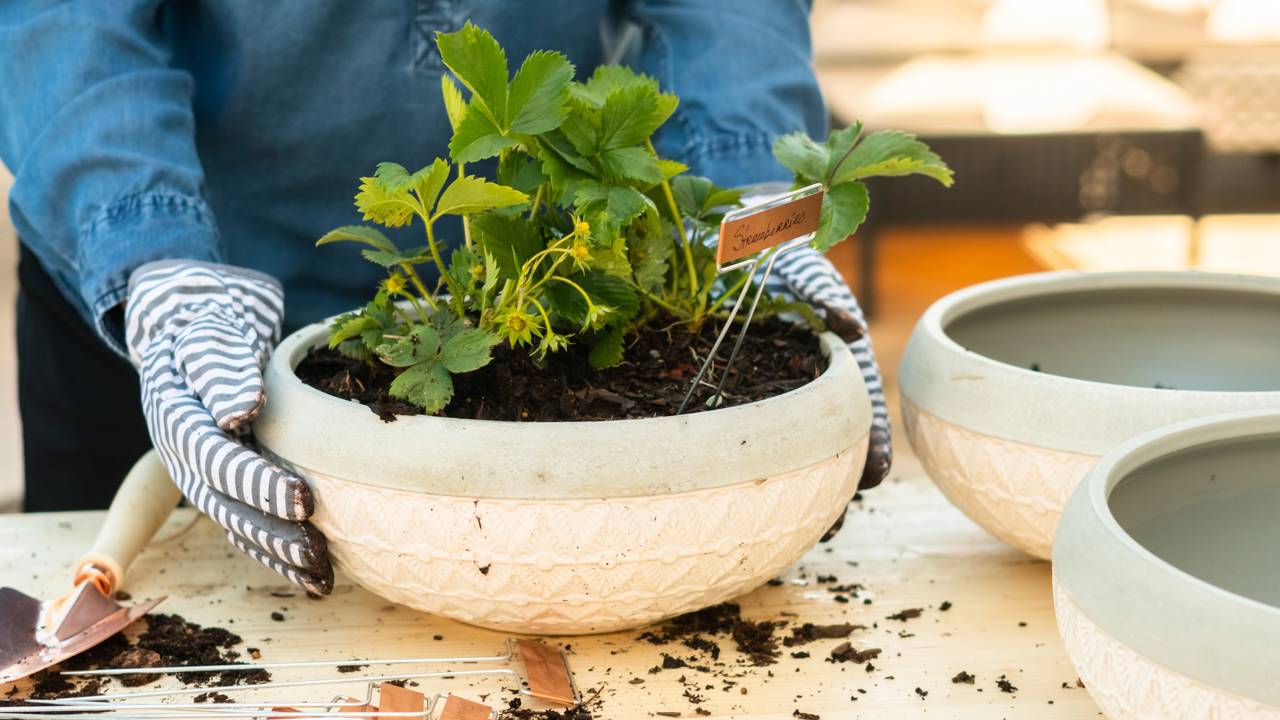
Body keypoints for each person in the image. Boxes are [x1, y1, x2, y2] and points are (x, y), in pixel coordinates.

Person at [0, 1, 890, 594]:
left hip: (543, 286)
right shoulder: (165, 278)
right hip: (181, 292)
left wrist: (745, 201)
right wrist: (153, 257)